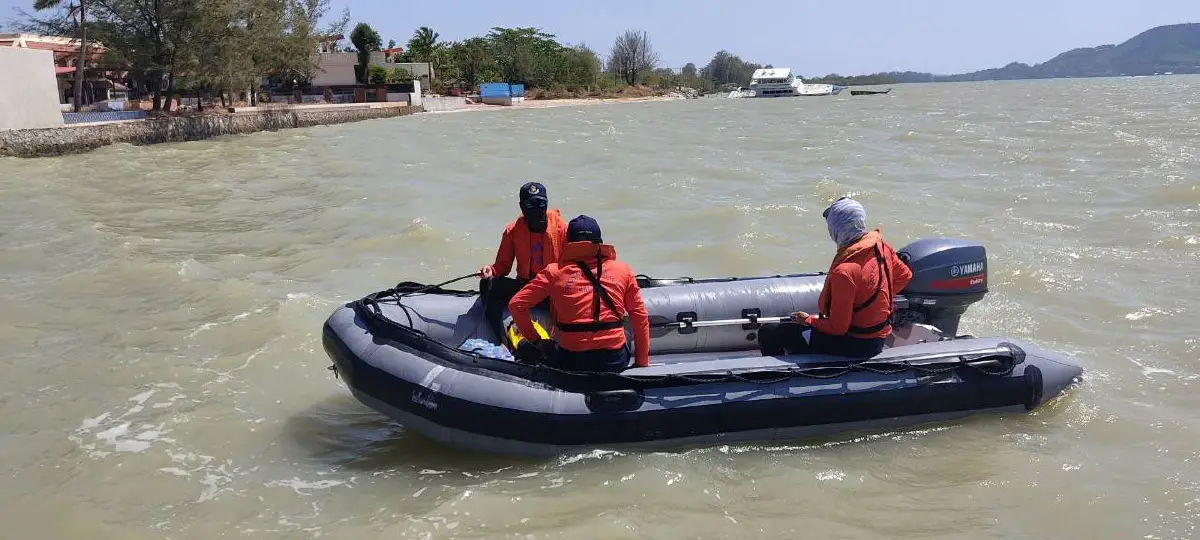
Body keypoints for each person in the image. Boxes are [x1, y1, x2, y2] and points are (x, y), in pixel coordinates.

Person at [758, 197, 913, 358]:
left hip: (854, 344)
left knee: (769, 332)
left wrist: (807, 320)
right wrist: (874, 303)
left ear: (837, 229)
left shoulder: (844, 272)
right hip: (878, 337)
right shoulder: (881, 247)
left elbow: (838, 328)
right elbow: (904, 276)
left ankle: (777, 378)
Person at [507, 215, 651, 372]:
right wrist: (642, 363)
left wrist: (536, 340)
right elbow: (639, 316)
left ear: (568, 243)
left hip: (572, 361)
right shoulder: (623, 270)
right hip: (614, 361)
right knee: (625, 335)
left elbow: (516, 305)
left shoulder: (554, 272)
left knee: (526, 348)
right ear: (599, 242)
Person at [478, 182, 568, 343]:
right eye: (530, 205)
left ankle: (562, 343)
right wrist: (490, 270)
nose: (537, 209)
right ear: (522, 207)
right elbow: (502, 267)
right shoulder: (512, 231)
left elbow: (574, 267)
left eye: (541, 203)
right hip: (526, 289)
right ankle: (501, 342)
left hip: (553, 292)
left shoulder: (562, 228)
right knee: (488, 285)